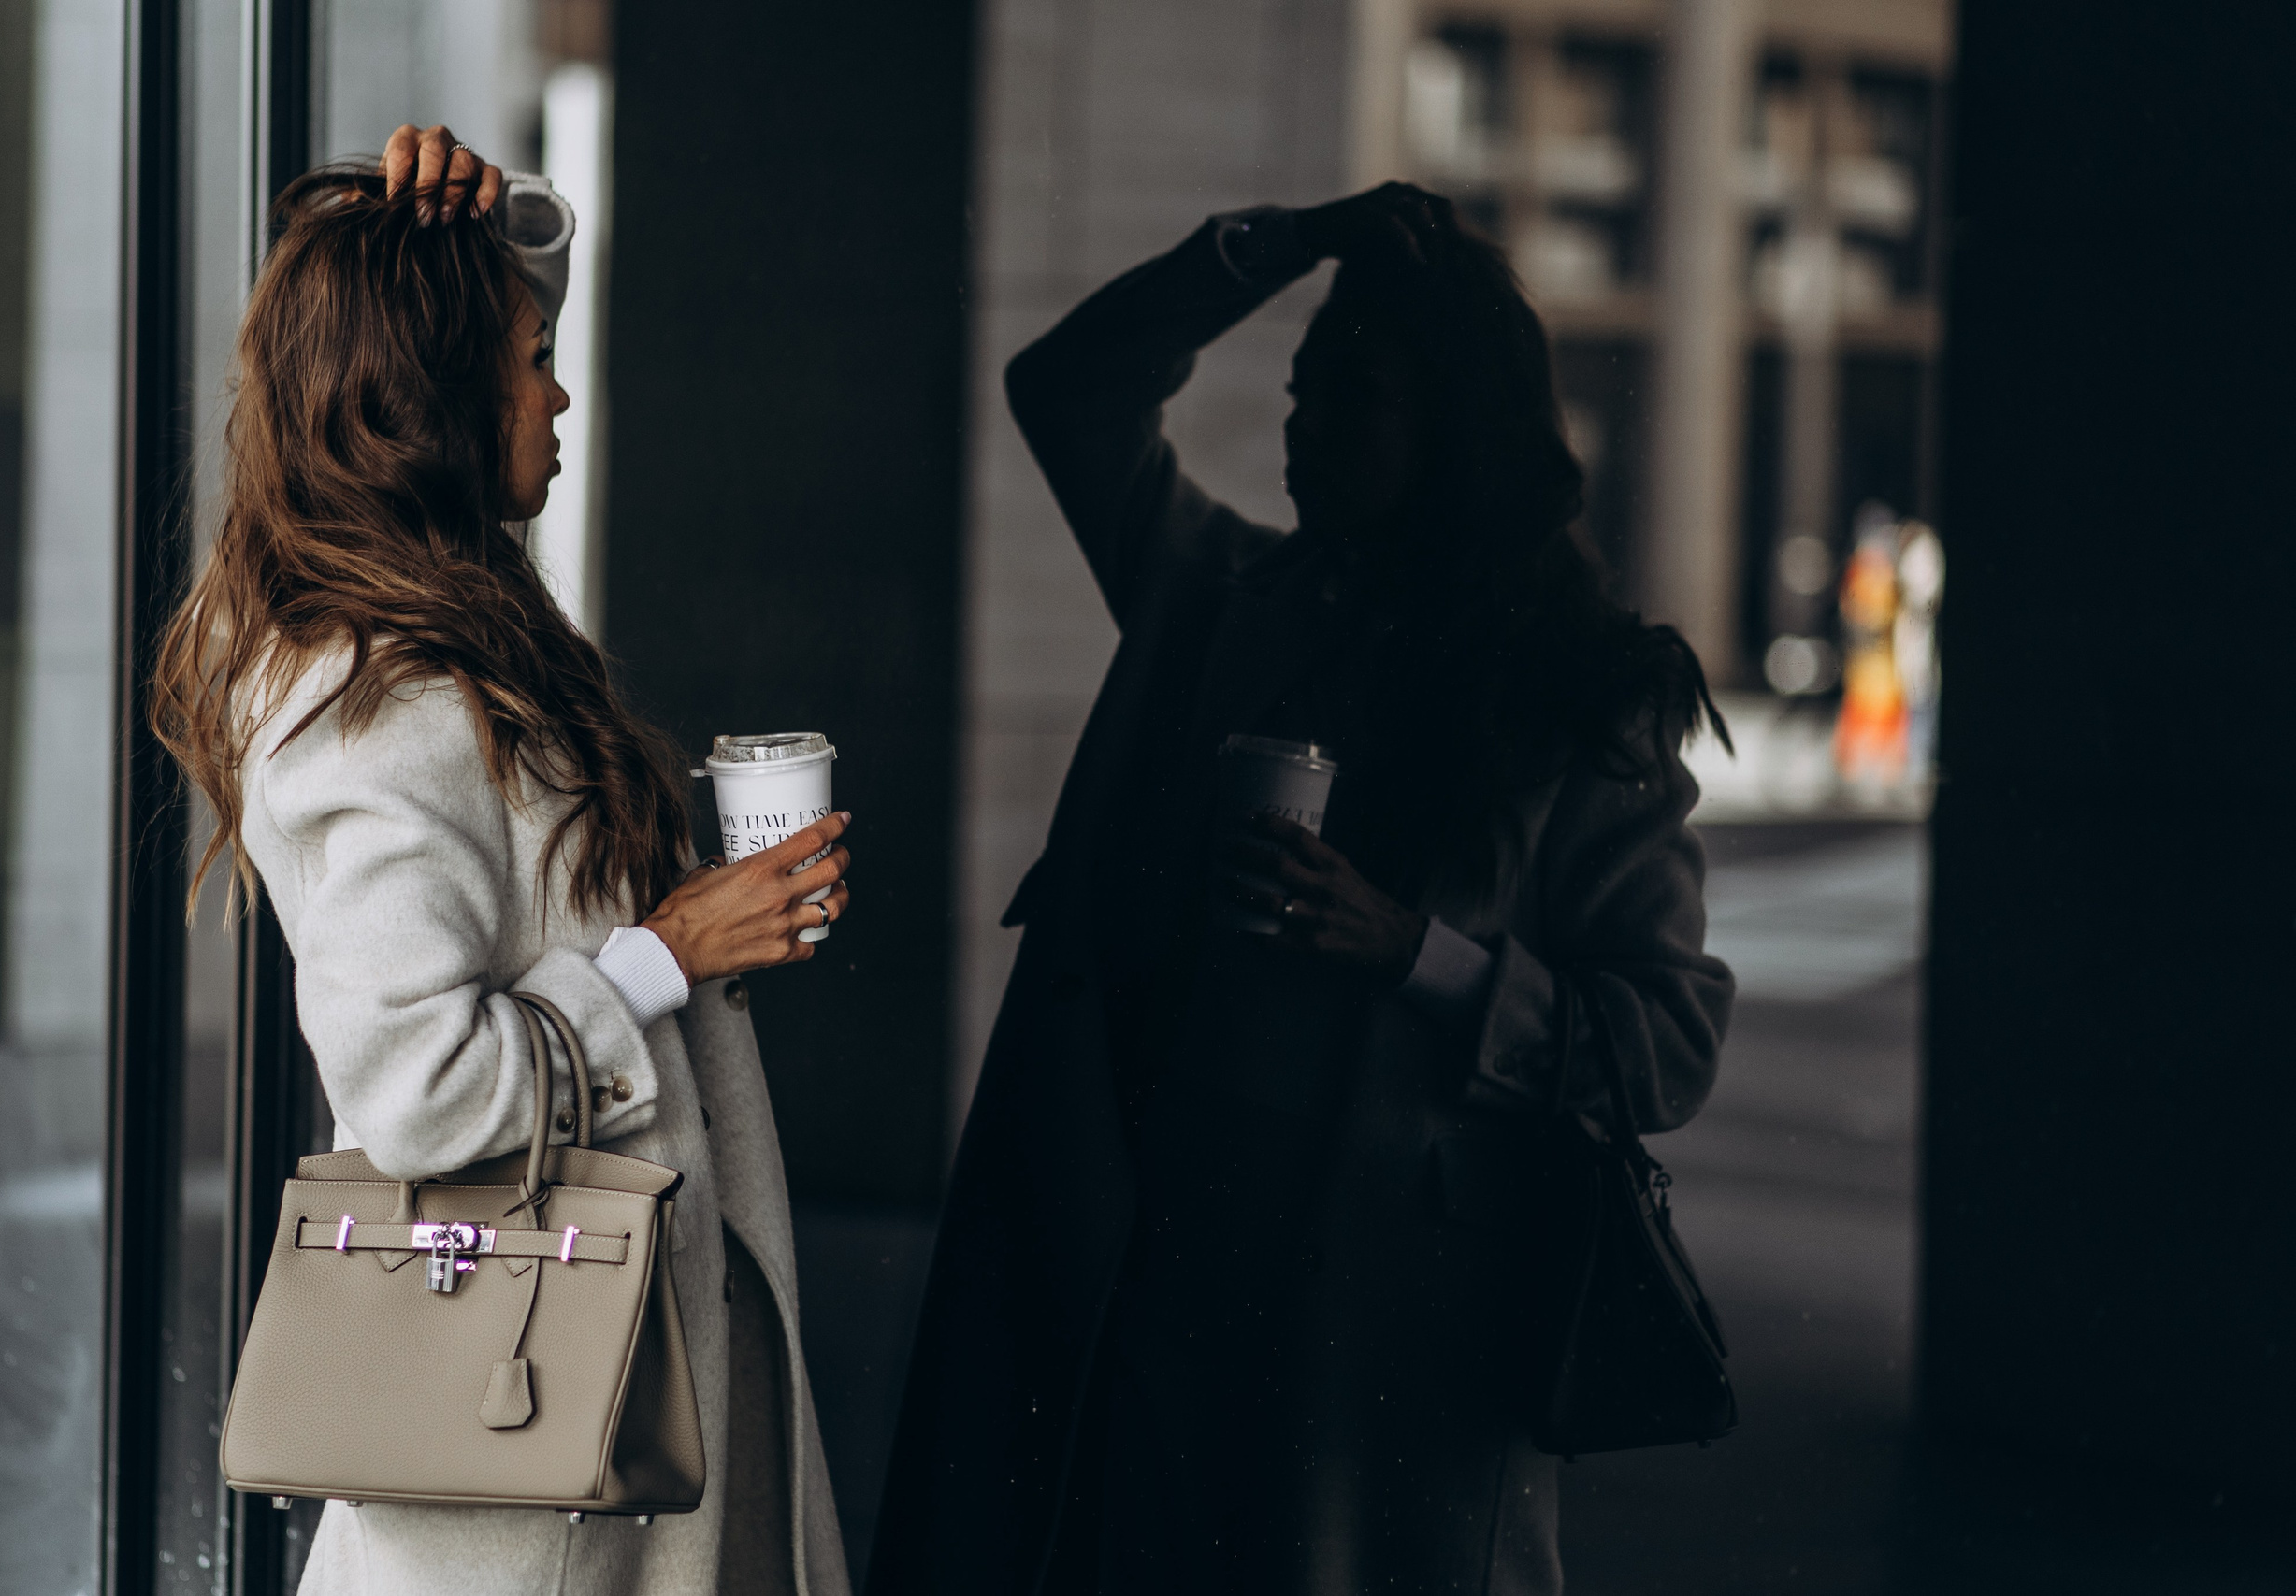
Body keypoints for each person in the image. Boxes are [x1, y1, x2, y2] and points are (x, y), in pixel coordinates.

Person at [869, 186, 1734, 1594]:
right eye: (1299, 390)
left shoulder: (1580, 694)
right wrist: (1280, 244)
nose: (1302, 428)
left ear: (1452, 429)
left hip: (1396, 1337)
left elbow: (1670, 1043)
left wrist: (1413, 950)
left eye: (1357, 398)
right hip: (1161, 1281)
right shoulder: (1218, 596)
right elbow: (1071, 389)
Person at [152, 127, 852, 1596]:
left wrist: (499, 218)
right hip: (527, 1477)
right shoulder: (371, 713)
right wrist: (671, 950)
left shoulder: (446, 643)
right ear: (438, 403)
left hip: (591, 1413)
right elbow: (420, 1091)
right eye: (529, 355)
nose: (559, 387)